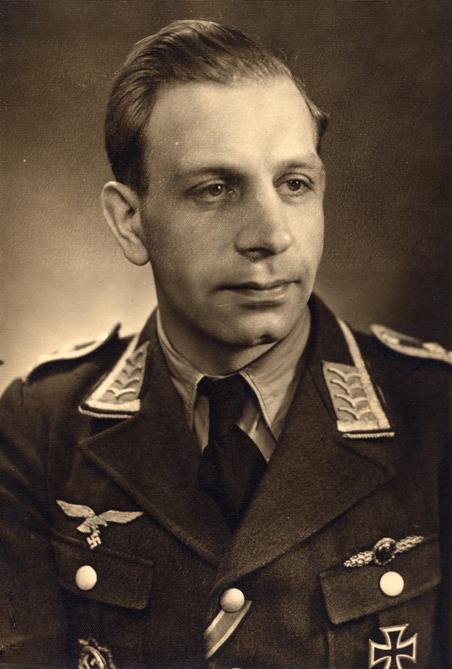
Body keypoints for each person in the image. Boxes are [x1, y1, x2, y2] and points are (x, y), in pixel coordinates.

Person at [0, 19, 450, 669]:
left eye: (294, 184)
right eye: (215, 189)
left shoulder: (434, 413)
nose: (271, 235)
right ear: (131, 222)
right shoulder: (40, 430)